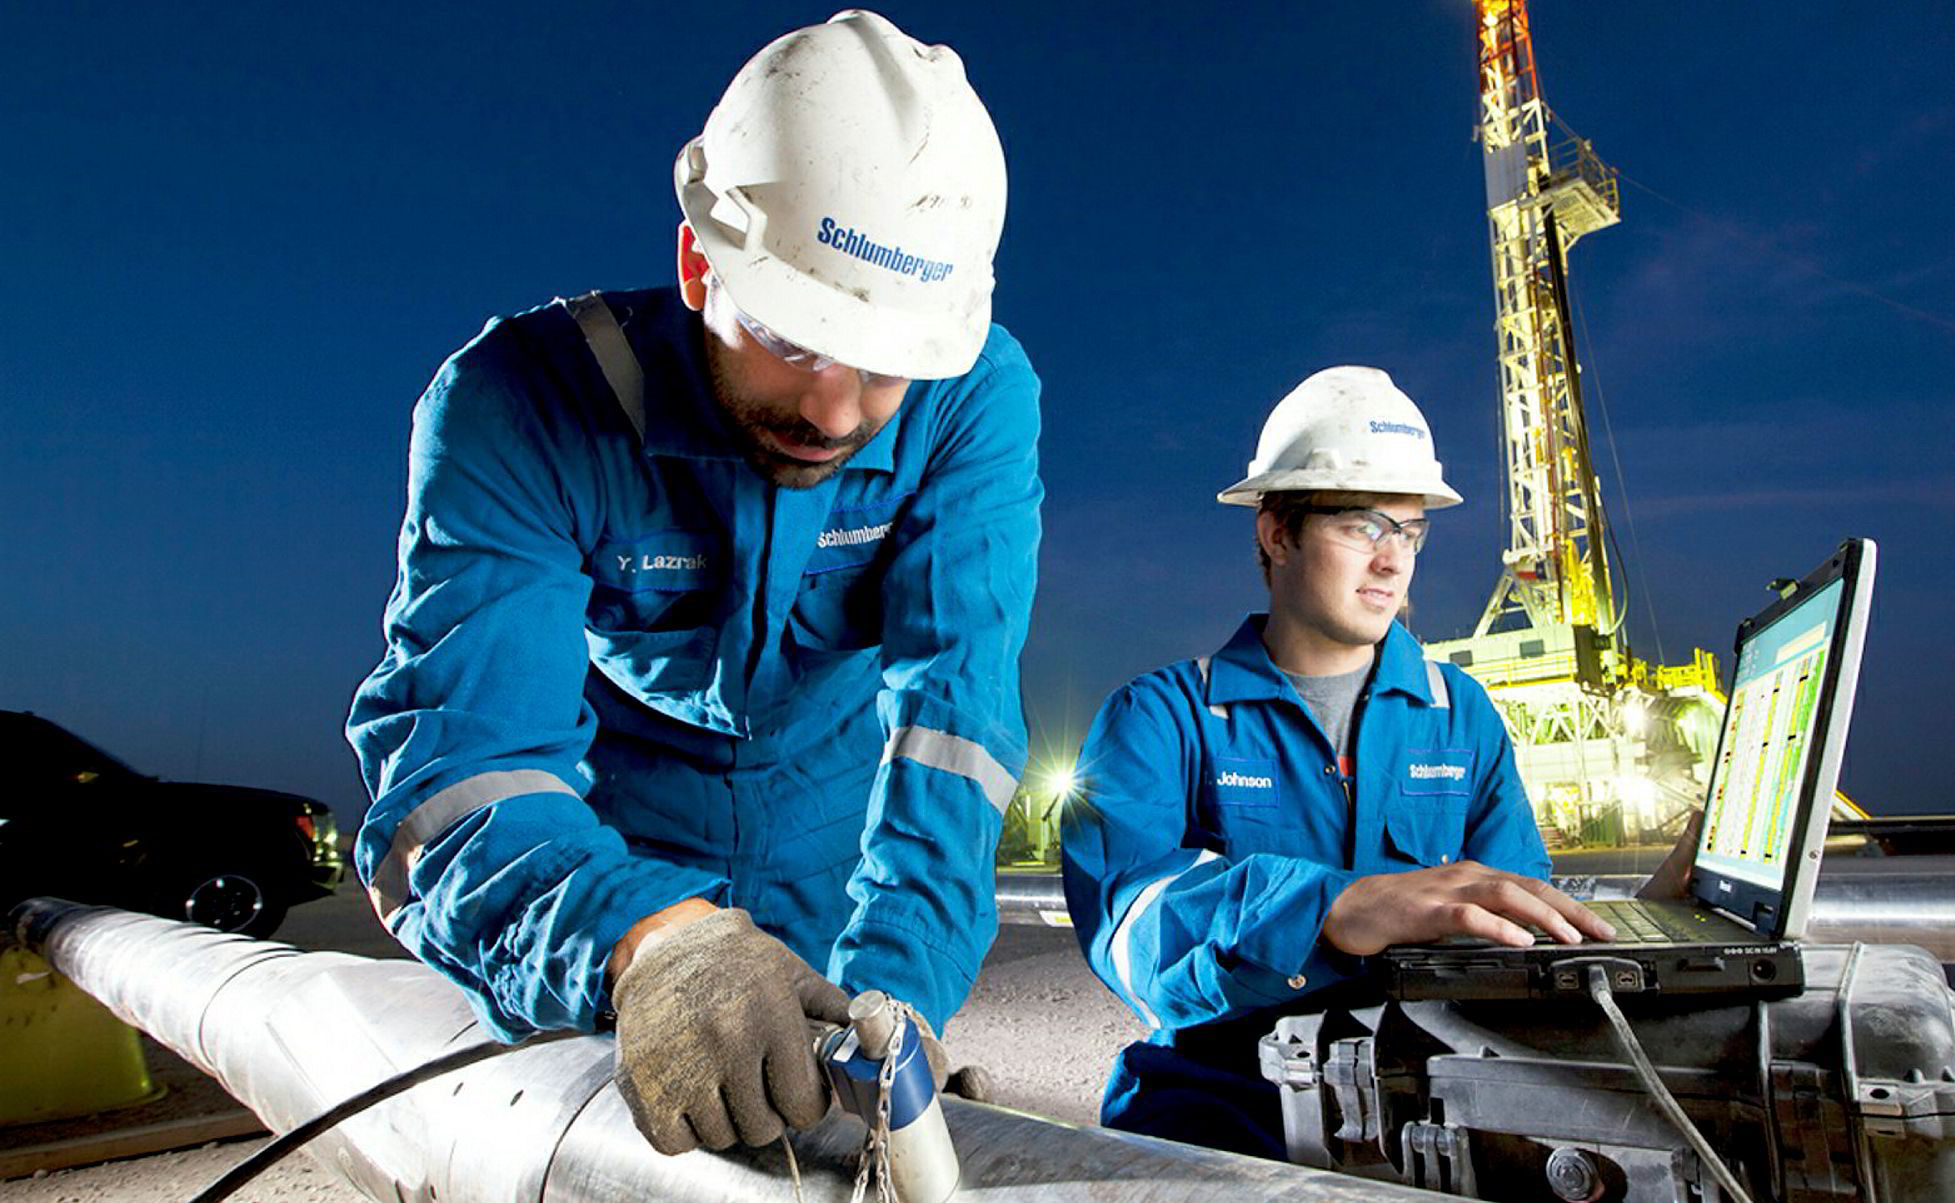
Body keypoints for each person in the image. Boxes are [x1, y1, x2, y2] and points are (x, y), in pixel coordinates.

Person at [347, 12, 1037, 1156]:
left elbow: (953, 720)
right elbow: (464, 762)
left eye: (885, 367)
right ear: (699, 263)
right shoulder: (518, 404)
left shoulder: (972, 398)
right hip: (602, 861)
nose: (835, 411)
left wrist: (898, 991)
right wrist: (642, 943)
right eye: (797, 338)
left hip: (831, 857)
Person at [1060, 366, 1695, 1158]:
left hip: (1437, 1119)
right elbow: (1131, 931)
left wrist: (1633, 938)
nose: (1393, 559)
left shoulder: (1460, 713)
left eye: (1411, 530)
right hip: (1224, 1111)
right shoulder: (1161, 716)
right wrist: (1329, 908)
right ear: (1278, 533)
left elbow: (1510, 923)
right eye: (1364, 526)